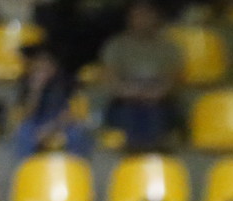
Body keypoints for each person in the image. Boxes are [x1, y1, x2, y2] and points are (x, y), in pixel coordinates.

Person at [98, 0, 183, 152]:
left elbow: (172, 80)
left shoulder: (169, 47)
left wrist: (155, 93)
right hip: (125, 100)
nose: (142, 19)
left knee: (157, 111)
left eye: (146, 14)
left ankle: (153, 150)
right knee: (128, 111)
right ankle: (134, 151)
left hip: (159, 100)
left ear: (156, 17)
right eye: (137, 15)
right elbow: (111, 80)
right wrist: (130, 92)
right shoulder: (116, 45)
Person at [13, 42, 91, 157]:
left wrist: (49, 129)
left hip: (61, 123)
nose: (41, 66)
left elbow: (72, 114)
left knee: (77, 135)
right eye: (38, 62)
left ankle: (77, 170)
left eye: (46, 62)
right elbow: (26, 115)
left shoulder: (66, 82)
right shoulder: (27, 82)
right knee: (23, 133)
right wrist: (35, 91)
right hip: (36, 122)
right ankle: (25, 169)